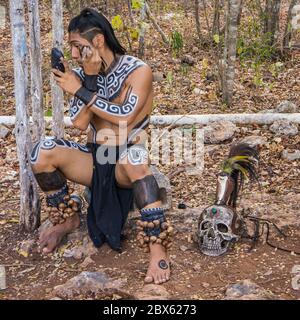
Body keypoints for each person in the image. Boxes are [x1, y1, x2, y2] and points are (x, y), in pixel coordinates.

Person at [30, 8, 171, 284]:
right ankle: (67, 220)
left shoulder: (138, 70)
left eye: (77, 46)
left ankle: (158, 250)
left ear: (98, 41)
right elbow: (81, 123)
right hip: (95, 159)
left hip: (125, 159)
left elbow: (125, 117)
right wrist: (89, 79)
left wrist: (80, 89)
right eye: (70, 47)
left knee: (135, 160)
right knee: (42, 151)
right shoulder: (83, 75)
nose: (72, 54)